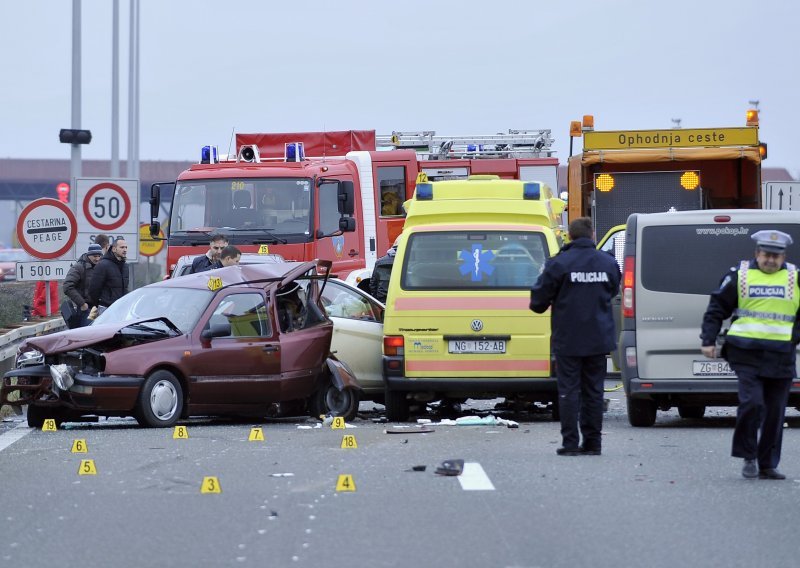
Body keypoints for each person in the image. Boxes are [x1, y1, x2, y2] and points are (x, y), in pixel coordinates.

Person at [701, 230, 799, 480]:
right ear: (757, 253)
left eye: (776, 256)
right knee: (752, 403)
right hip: (746, 353)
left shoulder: (794, 278)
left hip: (781, 356)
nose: (771, 260)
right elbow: (716, 307)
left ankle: (767, 464)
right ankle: (749, 455)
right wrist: (708, 340)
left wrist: (794, 338)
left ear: (783, 256)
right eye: (766, 255)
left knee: (776, 412)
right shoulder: (740, 275)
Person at [530, 217, 621, 456]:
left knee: (569, 392)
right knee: (594, 391)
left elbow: (537, 303)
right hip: (598, 338)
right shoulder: (608, 262)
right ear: (592, 236)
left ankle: (570, 444)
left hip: (568, 339)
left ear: (569, 236)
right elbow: (613, 290)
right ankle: (593, 444)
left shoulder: (559, 264)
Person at [62, 243, 103, 327]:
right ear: (89, 255)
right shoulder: (79, 267)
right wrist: (82, 303)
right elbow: (67, 286)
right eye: (95, 256)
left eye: (99, 256)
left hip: (101, 309)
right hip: (87, 310)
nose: (97, 258)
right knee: (88, 336)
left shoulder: (102, 267)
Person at [88, 237, 129, 314]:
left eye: (126, 247)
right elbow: (94, 290)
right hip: (106, 309)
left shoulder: (125, 267)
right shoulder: (103, 265)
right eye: (122, 247)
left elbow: (125, 289)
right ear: (114, 249)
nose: (125, 250)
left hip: (121, 309)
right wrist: (99, 305)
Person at [369, 237, 399, 303]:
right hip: (398, 299)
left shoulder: (379, 261)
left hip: (382, 299)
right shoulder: (407, 261)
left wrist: (376, 300)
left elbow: (373, 284)